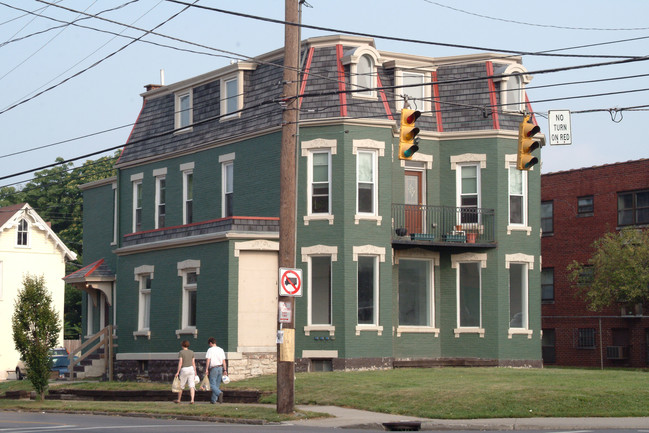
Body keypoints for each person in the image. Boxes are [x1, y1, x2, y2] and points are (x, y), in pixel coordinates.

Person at [205, 336, 227, 404]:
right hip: (220, 368)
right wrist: (225, 370)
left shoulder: (210, 350)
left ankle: (219, 393)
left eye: (209, 344)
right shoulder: (221, 349)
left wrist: (206, 369)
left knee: (212, 384)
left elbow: (208, 360)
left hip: (214, 368)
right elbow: (223, 361)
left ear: (211, 343)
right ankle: (213, 400)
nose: (209, 345)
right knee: (217, 385)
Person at [174, 340, 197, 404]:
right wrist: (195, 372)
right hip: (191, 369)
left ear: (182, 345)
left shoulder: (181, 352)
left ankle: (179, 399)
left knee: (181, 385)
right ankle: (192, 400)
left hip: (184, 369)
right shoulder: (192, 352)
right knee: (192, 385)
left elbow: (180, 362)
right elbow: (193, 363)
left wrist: (178, 372)